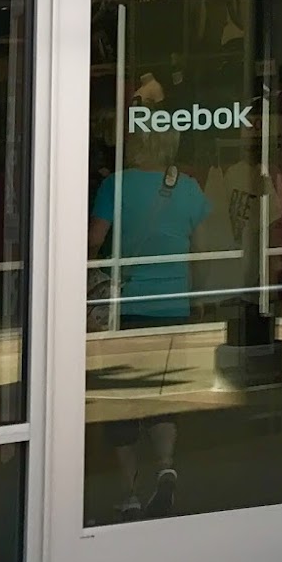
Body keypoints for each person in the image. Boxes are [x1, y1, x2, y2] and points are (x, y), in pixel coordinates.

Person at [89, 124, 210, 520]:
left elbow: (93, 239)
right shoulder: (188, 188)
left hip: (125, 306)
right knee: (162, 392)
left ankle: (130, 493)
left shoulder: (116, 185)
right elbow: (201, 250)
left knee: (124, 398)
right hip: (172, 304)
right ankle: (166, 466)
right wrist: (197, 297)